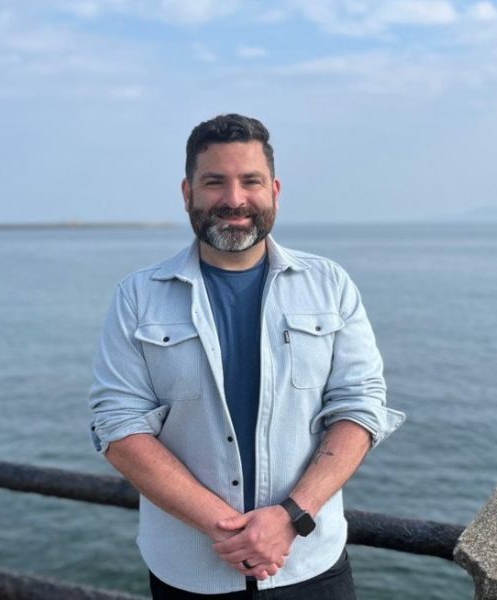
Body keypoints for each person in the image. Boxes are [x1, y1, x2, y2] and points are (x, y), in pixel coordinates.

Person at [88, 113, 404, 599]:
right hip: (191, 572)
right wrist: (228, 530)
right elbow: (119, 426)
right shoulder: (138, 296)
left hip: (310, 565)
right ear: (187, 192)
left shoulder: (330, 285)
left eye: (250, 181)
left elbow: (360, 407)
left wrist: (290, 517)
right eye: (214, 182)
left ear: (274, 189)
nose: (234, 199)